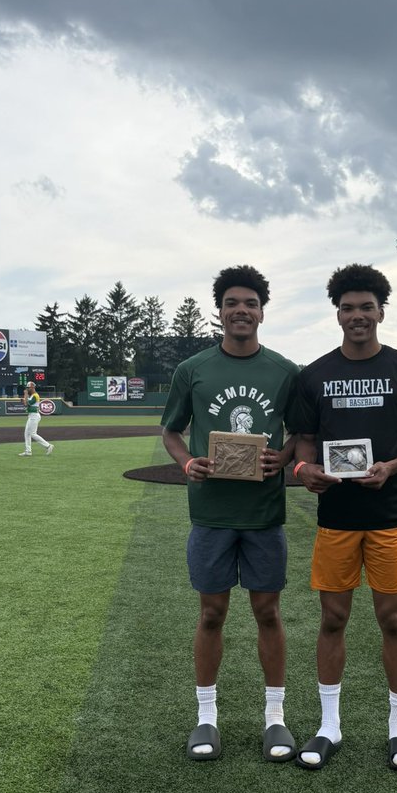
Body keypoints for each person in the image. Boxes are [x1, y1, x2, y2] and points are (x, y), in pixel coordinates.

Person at [288, 264, 397, 772]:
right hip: (336, 519)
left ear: (381, 311)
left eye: (366, 307)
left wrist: (394, 466)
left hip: (388, 516)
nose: (358, 316)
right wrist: (306, 470)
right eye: (349, 308)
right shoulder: (314, 375)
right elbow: (304, 450)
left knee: (391, 619)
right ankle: (328, 726)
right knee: (333, 619)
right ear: (337, 313)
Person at [161, 265, 299, 763]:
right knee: (212, 613)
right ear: (219, 311)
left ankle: (275, 719)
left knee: (267, 612)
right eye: (232, 303)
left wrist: (282, 459)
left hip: (264, 515)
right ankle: (206, 718)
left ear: (263, 311)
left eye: (251, 303)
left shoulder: (286, 372)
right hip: (211, 515)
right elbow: (172, 432)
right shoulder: (192, 369)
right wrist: (187, 462)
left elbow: (302, 433)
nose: (241, 310)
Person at [18, 381, 53, 456]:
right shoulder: (32, 395)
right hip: (31, 416)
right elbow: (26, 404)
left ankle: (48, 446)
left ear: (33, 387)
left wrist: (25, 394)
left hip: (34, 416)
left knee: (32, 434)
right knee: (27, 433)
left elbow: (27, 403)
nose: (27, 389)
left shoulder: (35, 395)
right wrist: (24, 400)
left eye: (28, 388)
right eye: (27, 388)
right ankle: (28, 451)